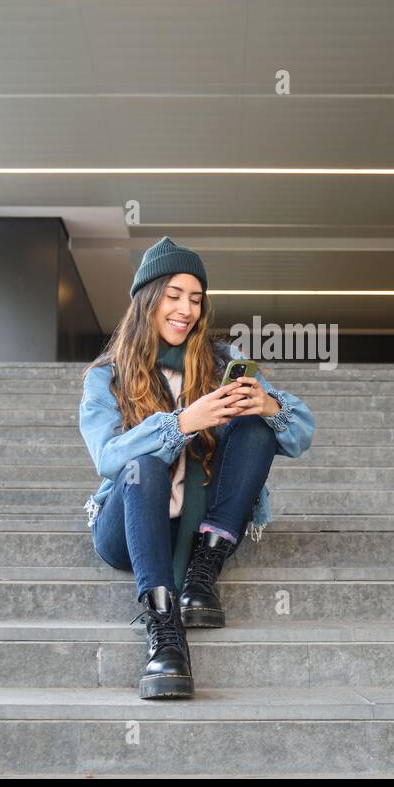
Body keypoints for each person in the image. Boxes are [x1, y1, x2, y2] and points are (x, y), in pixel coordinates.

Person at [78, 236, 316, 699]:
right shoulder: (106, 376)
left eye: (195, 299)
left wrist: (267, 403)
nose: (185, 309)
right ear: (147, 299)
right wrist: (184, 422)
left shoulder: (221, 361)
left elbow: (302, 434)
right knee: (140, 465)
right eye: (173, 296)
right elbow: (108, 458)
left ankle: (203, 569)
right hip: (128, 527)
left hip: (200, 526)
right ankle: (165, 633)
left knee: (257, 425)